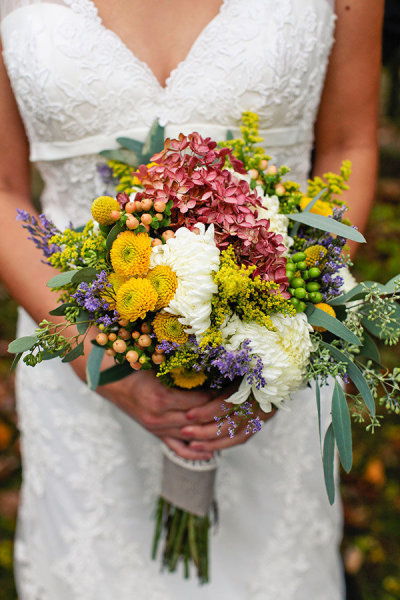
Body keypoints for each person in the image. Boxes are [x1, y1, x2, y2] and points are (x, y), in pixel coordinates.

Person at [0, 1, 383, 598]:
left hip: (270, 376)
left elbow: (347, 145)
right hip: (77, 371)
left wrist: (286, 337)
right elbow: (2, 188)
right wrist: (98, 364)